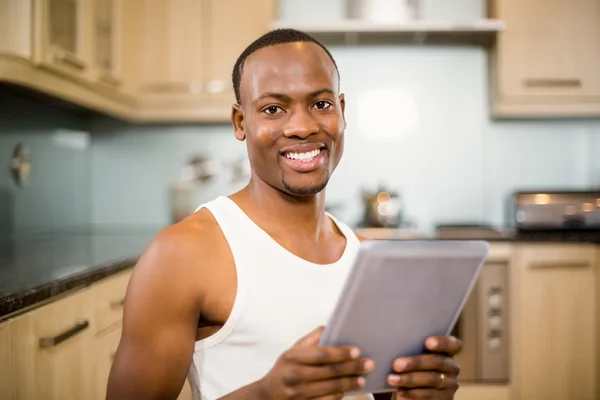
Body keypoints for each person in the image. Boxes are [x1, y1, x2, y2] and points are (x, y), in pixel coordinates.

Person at [106, 28, 462, 400]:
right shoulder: (183, 253)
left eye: (321, 104)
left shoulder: (367, 258)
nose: (303, 127)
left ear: (342, 111)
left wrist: (420, 391)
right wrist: (265, 394)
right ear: (240, 122)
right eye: (273, 109)